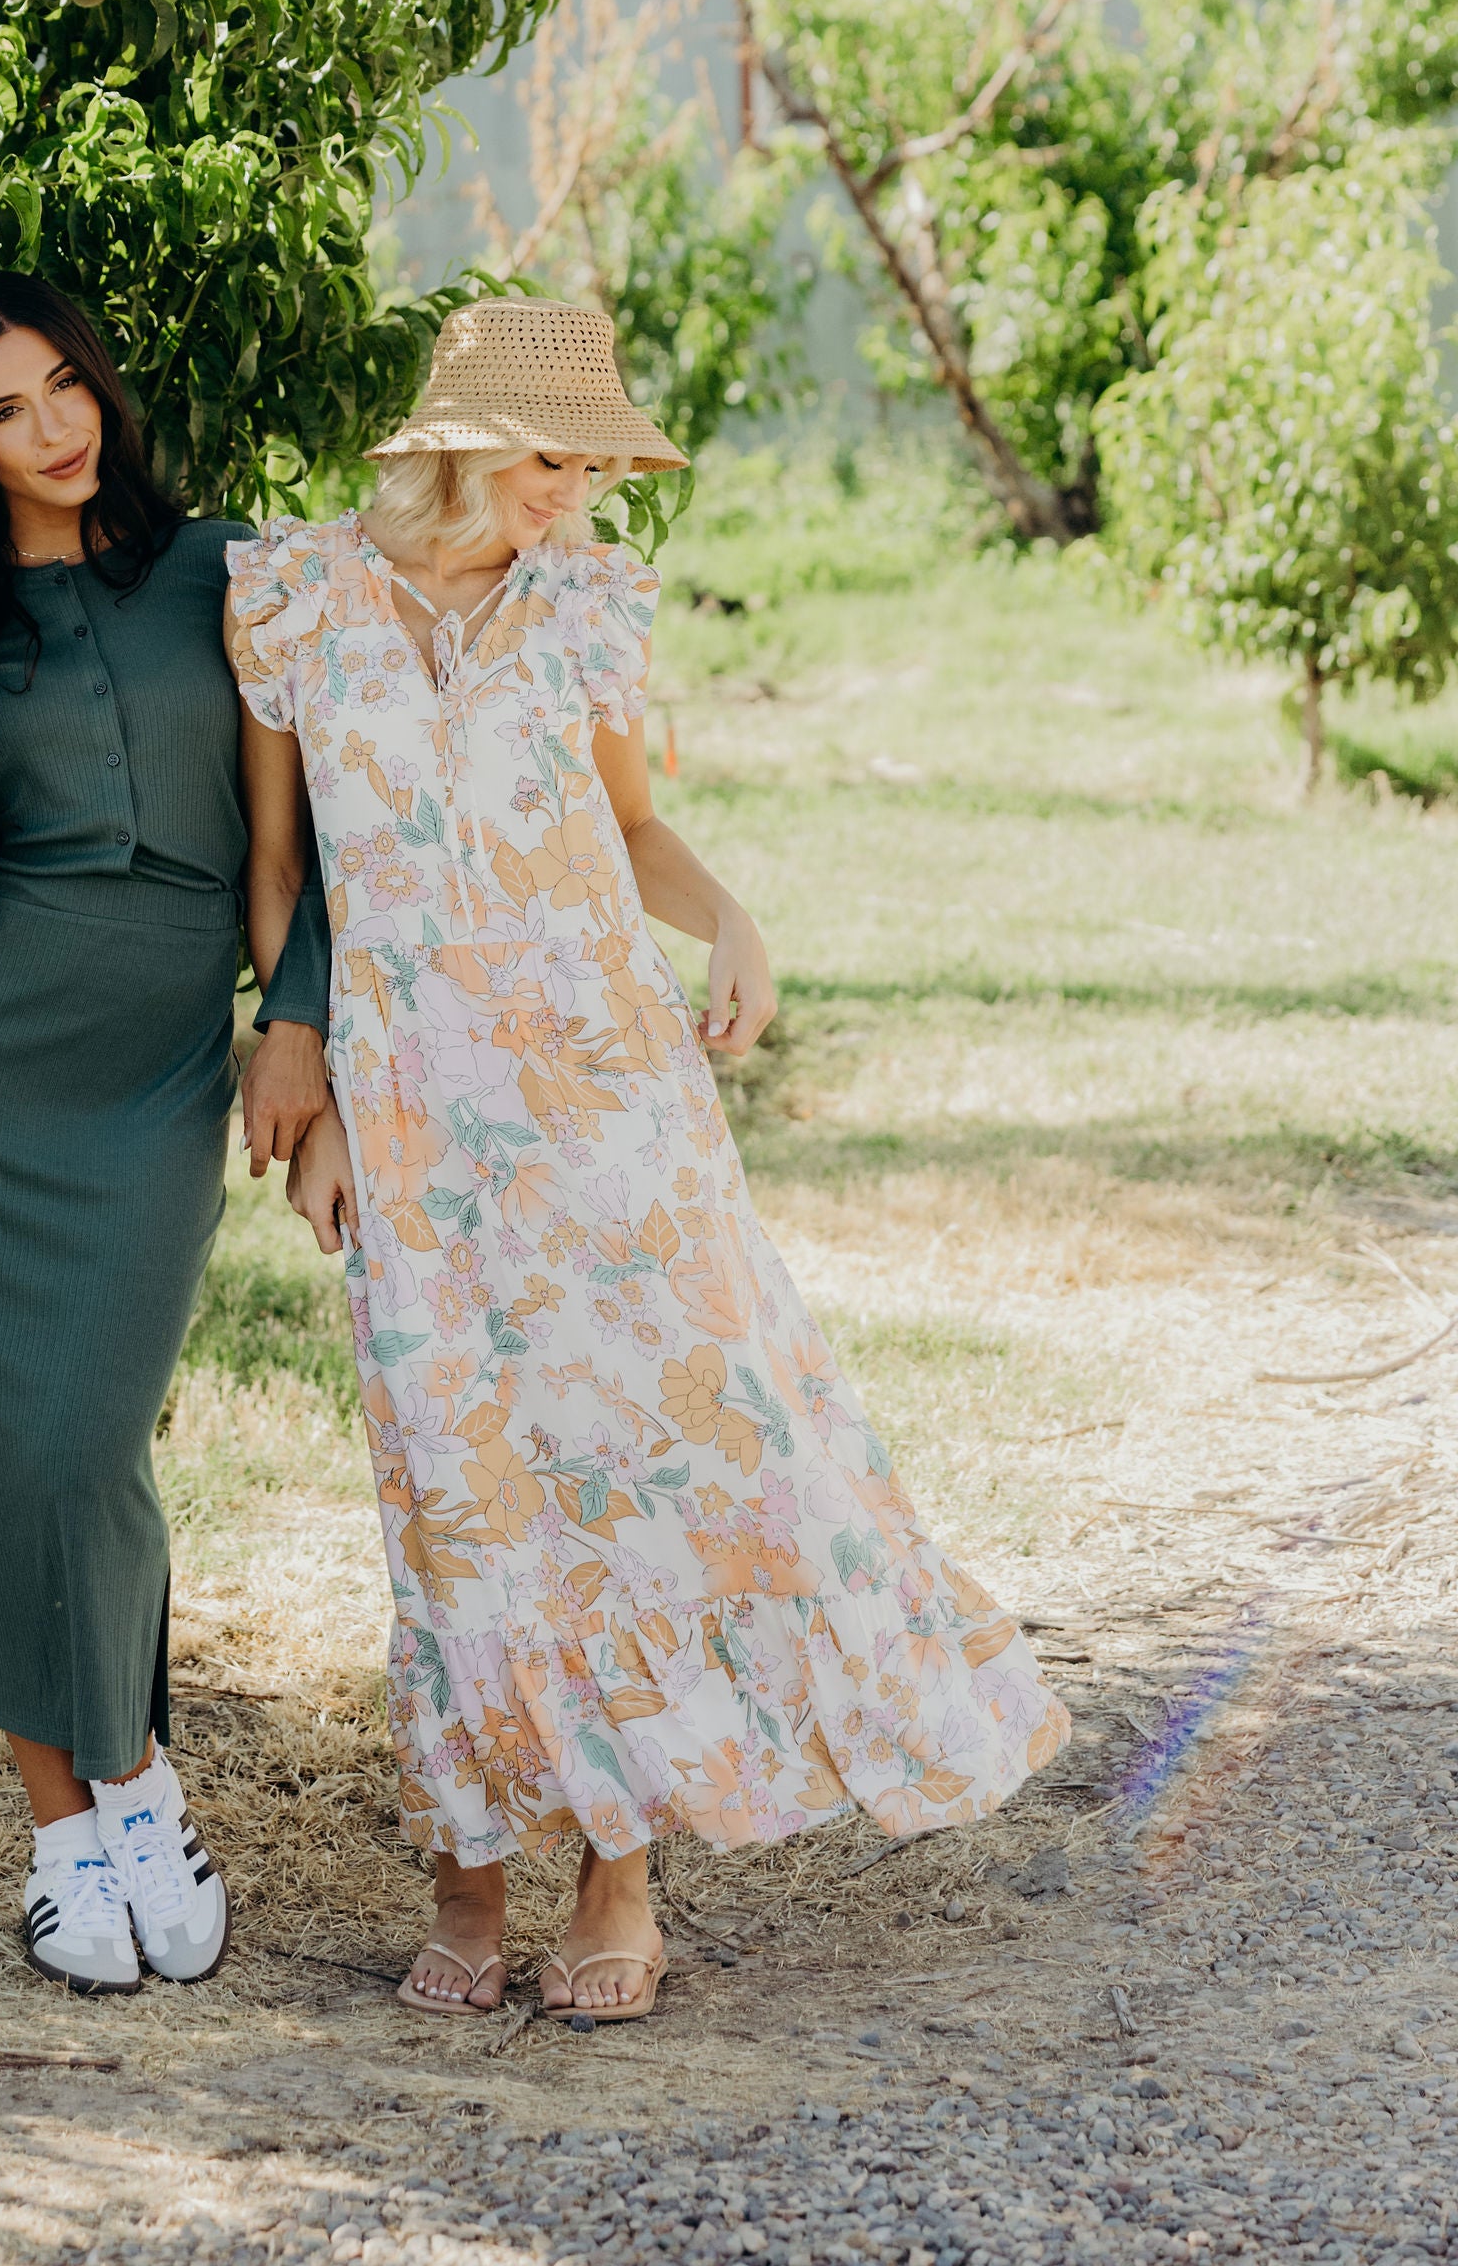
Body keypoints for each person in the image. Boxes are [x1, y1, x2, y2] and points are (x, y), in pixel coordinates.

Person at [225, 301, 1070, 2022]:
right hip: (416, 1116)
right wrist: (301, 1086)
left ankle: (620, 1875)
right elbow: (281, 872)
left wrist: (733, 916)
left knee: (644, 1472)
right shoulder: (293, 597)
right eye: (551, 460)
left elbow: (629, 828)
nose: (572, 494)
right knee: (453, 1498)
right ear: (459, 441)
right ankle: (470, 1883)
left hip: (615, 1114)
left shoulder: (590, 605)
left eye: (593, 466)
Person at [0, 274, 331, 1996]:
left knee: (87, 1442)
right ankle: (83, 1829)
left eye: (66, 389)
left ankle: (131, 1777)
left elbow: (327, 833)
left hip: (156, 1071)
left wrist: (298, 1025)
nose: (56, 429)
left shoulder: (230, 570)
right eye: (7, 413)